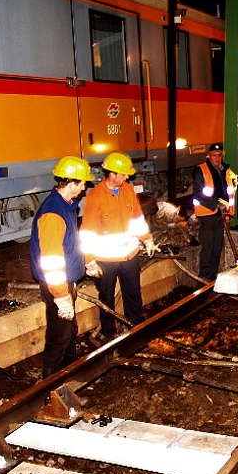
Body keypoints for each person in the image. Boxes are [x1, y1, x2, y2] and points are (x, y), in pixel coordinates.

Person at [30, 156, 92, 378]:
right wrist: (61, 296)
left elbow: (69, 245)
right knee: (59, 337)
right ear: (71, 182)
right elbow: (52, 261)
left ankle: (69, 377)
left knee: (69, 332)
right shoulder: (53, 214)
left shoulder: (66, 206)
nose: (84, 187)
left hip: (66, 282)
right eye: (82, 183)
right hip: (57, 286)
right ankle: (51, 387)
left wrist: (86, 261)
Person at [80, 152, 156, 336]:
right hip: (106, 260)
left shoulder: (128, 190)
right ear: (112, 174)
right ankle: (109, 332)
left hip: (130, 256)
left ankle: (135, 327)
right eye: (123, 174)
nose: (127, 177)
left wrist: (147, 238)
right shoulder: (95, 197)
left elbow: (137, 218)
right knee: (106, 297)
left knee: (133, 293)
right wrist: (89, 261)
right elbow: (87, 232)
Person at [192, 143, 237, 281]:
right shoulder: (201, 170)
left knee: (217, 247)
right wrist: (216, 204)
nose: (217, 158)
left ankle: (213, 277)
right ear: (209, 156)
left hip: (221, 215)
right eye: (214, 155)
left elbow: (229, 191)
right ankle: (204, 278)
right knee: (208, 247)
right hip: (207, 215)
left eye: (219, 155)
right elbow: (198, 194)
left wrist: (228, 210)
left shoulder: (226, 171)